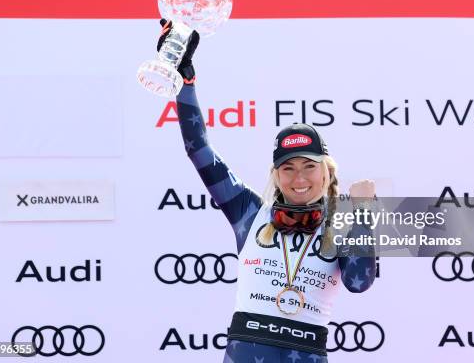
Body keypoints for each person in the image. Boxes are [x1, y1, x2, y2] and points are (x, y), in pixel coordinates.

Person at [157, 20, 376, 362]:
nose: (299, 178)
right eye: (288, 168)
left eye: (308, 166)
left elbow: (359, 283)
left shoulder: (342, 223)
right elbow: (199, 151)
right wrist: (186, 83)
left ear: (326, 170)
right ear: (276, 174)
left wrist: (363, 213)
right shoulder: (249, 212)